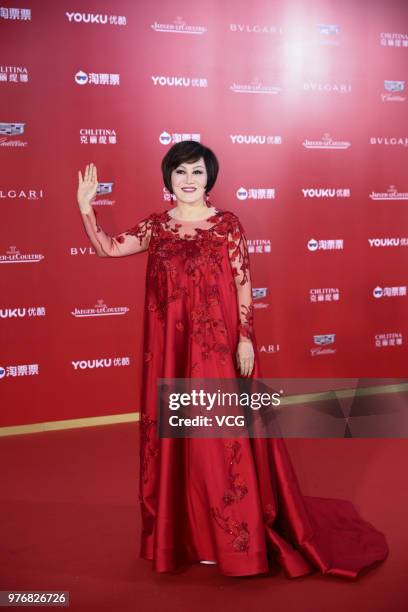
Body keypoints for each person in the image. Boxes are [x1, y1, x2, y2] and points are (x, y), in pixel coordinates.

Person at [77, 140, 388, 578]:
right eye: (181, 172)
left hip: (218, 347)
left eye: (197, 172)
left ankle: (231, 536)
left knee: (220, 439)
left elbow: (244, 282)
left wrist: (245, 339)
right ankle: (187, 532)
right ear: (168, 177)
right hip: (170, 351)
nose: (188, 180)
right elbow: (108, 248)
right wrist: (86, 208)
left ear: (210, 178)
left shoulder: (227, 225)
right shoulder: (157, 227)